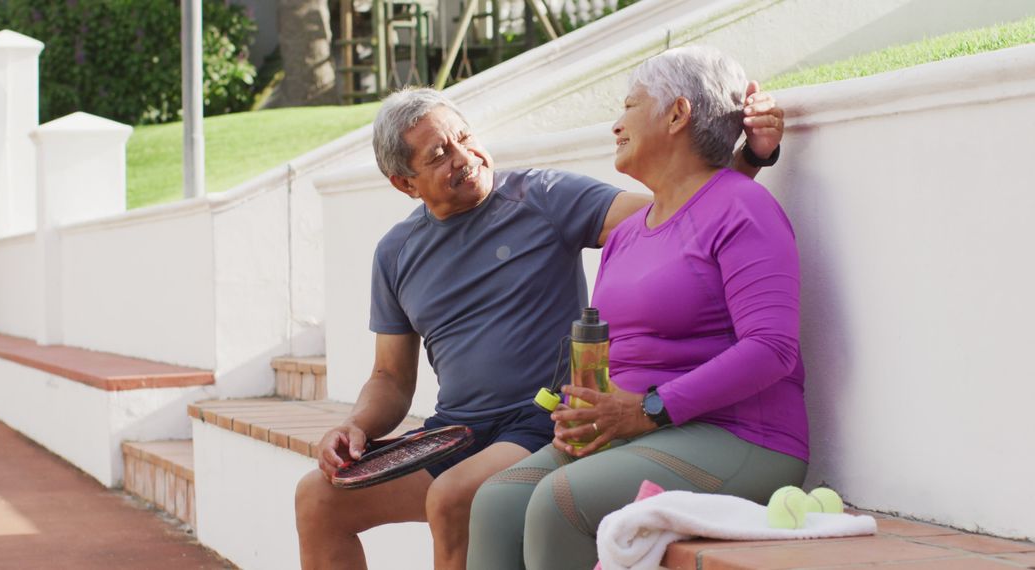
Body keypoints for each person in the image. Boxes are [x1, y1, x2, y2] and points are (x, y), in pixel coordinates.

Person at [294, 82, 785, 570]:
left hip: (540, 422)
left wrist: (751, 158)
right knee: (318, 497)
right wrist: (354, 425)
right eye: (439, 154)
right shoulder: (395, 253)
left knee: (452, 496)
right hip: (456, 433)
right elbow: (390, 379)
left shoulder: (544, 197)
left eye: (464, 137)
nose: (463, 156)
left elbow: (676, 215)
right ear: (404, 182)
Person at [466, 46, 807, 570]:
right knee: (496, 502)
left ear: (677, 114)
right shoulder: (628, 233)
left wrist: (648, 409)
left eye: (629, 105)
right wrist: (586, 411)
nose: (615, 125)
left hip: (740, 435)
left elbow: (773, 348)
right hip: (639, 425)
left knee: (560, 503)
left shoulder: (745, 207)